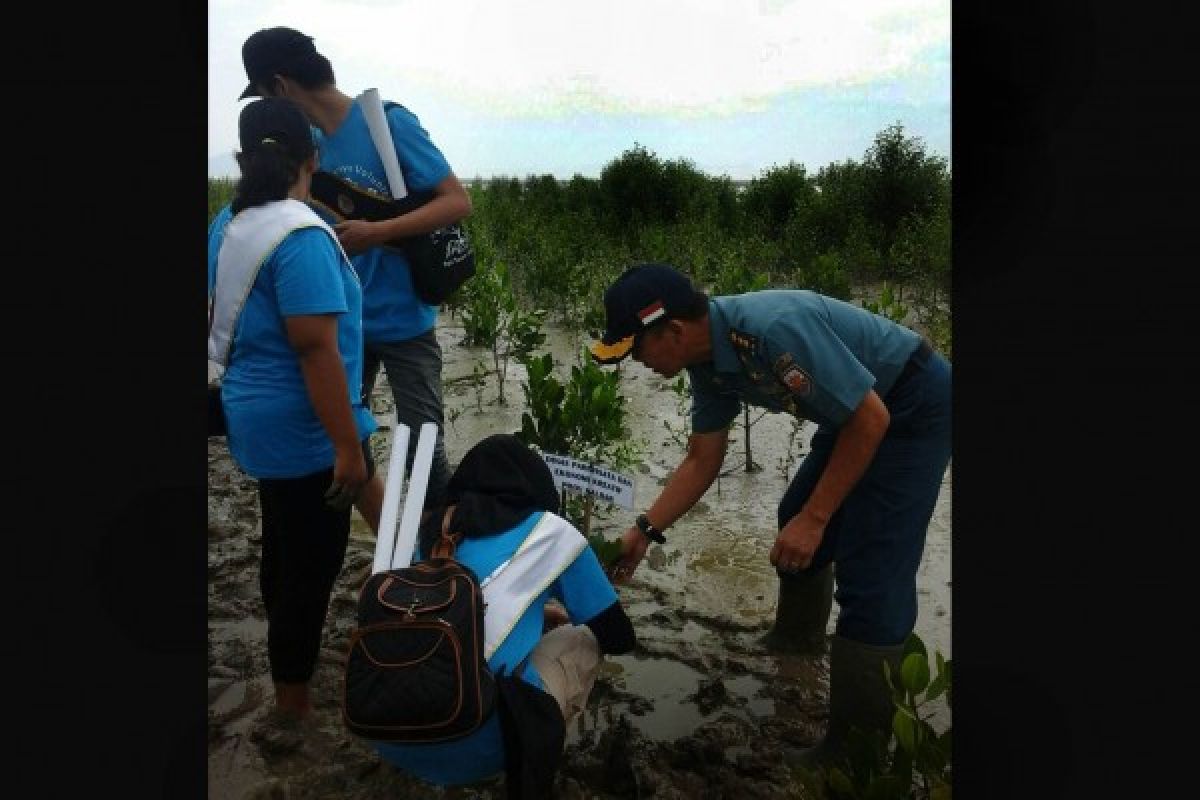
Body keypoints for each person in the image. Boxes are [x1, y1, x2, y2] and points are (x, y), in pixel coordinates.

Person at [590, 262, 951, 769]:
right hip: (854, 410)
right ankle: (798, 644)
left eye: (636, 349)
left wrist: (819, 516)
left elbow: (871, 419)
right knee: (793, 516)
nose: (637, 362)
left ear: (672, 330)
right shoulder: (707, 360)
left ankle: (855, 756)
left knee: (872, 576)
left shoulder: (771, 332)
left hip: (909, 406)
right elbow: (702, 459)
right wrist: (643, 531)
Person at [236, 26, 472, 526]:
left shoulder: (388, 124)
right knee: (340, 439)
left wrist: (377, 231)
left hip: (407, 320)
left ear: (279, 86)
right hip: (347, 327)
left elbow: (457, 201)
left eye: (263, 96)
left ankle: (443, 549)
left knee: (423, 447)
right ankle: (390, 543)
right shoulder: (305, 148)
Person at [207, 96, 380, 719]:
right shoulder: (301, 235)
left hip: (252, 422)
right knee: (310, 568)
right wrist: (344, 447)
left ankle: (291, 682)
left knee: (281, 547)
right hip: (304, 429)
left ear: (241, 158)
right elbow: (314, 349)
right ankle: (292, 706)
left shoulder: (227, 225)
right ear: (313, 158)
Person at [369, 434, 636, 794]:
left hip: (385, 731)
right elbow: (619, 637)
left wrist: (535, 617)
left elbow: (454, 613)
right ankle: (537, 750)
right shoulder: (551, 532)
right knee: (584, 640)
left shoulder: (429, 534)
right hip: (484, 745)